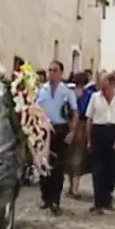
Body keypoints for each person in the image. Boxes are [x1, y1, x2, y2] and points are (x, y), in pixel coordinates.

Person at [85, 71, 115, 213]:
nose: (102, 88)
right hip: (98, 132)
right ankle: (98, 202)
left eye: (104, 84)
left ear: (111, 84)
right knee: (98, 169)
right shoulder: (95, 97)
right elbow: (89, 119)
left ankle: (107, 198)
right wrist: (89, 140)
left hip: (114, 132)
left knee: (112, 169)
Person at [35, 60, 78, 215]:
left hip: (60, 130)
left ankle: (55, 200)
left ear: (61, 73)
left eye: (55, 70)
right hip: (44, 130)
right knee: (43, 164)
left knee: (59, 166)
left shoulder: (67, 92)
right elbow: (33, 109)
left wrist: (72, 132)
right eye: (50, 70)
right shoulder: (41, 90)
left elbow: (74, 113)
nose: (51, 73)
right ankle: (45, 197)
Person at [66, 72, 92, 198]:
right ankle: (74, 187)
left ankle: (72, 187)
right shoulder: (88, 96)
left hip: (71, 126)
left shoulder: (69, 93)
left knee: (73, 156)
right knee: (76, 156)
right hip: (80, 127)